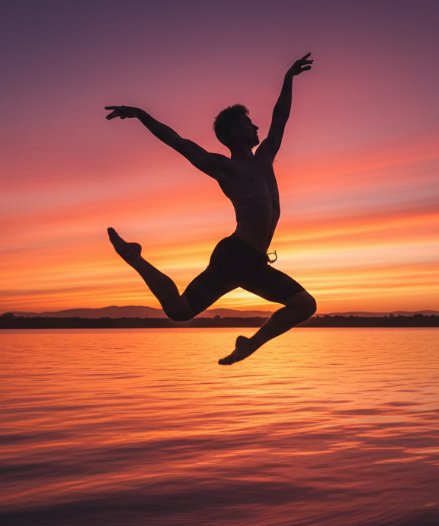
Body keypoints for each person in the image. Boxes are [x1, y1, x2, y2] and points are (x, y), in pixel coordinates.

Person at [105, 53, 316, 365]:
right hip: (236, 255)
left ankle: (248, 344)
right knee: (181, 311)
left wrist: (288, 78)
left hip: (252, 261)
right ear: (233, 133)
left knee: (181, 310)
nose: (256, 125)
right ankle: (134, 258)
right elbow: (178, 142)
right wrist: (140, 114)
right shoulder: (223, 167)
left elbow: (280, 117)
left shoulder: (265, 157)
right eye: (248, 123)